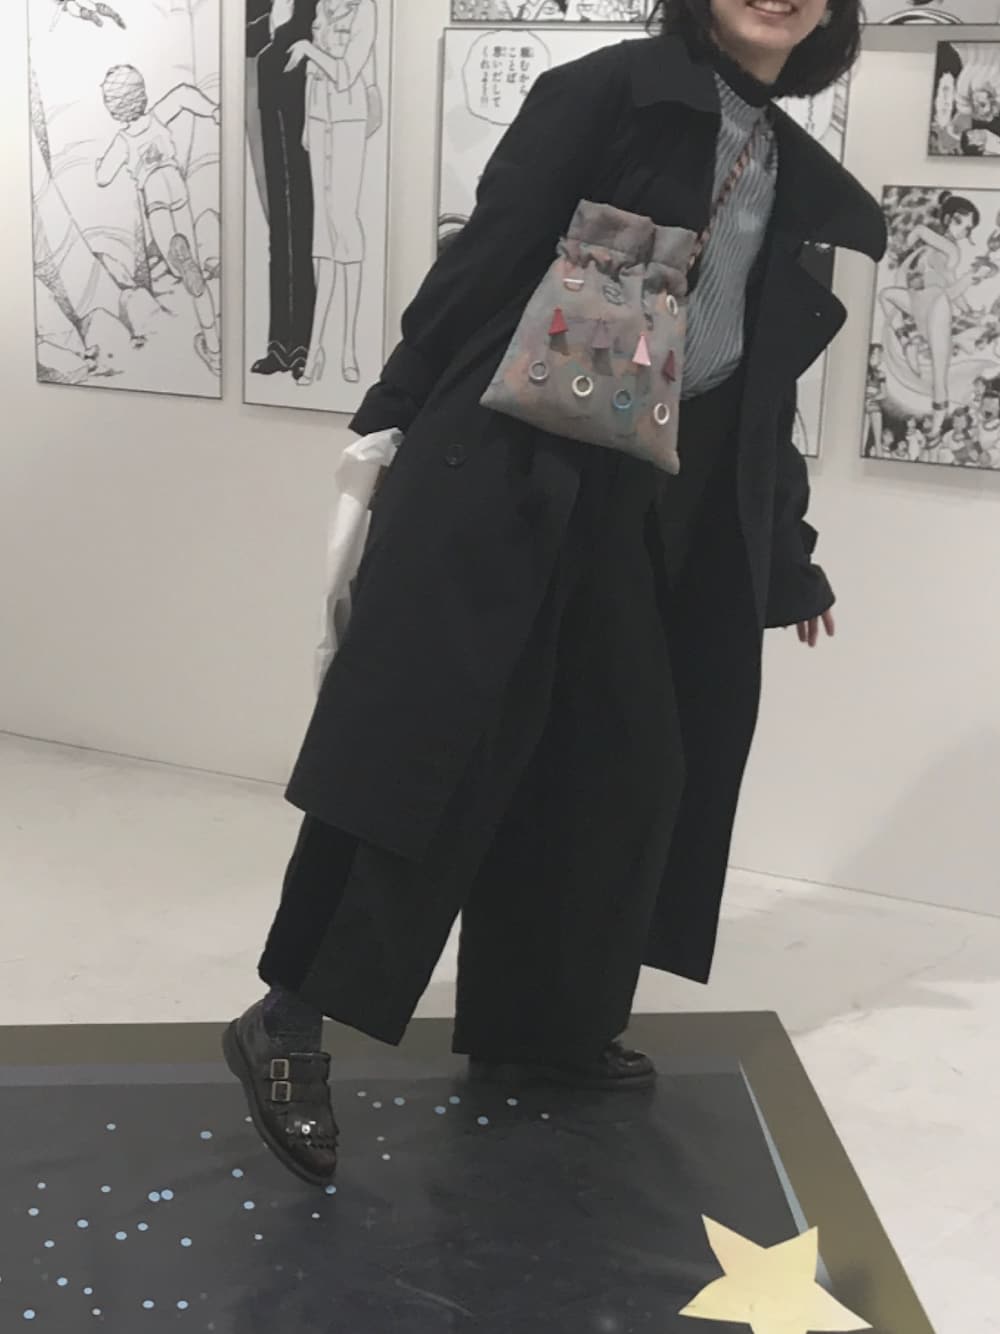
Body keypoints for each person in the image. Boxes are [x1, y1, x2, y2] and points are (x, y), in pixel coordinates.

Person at [223, 0, 885, 1186]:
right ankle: (287, 1019)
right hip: (511, 472)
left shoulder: (782, 160)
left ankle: (540, 1019)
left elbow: (757, 383)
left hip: (652, 506)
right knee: (428, 756)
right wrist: (391, 418)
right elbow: (485, 258)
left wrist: (785, 551)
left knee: (623, 764)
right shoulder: (609, 91)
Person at [95, 66, 222, 377]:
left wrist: (100, 163)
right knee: (196, 277)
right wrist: (214, 110)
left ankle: (180, 264)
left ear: (112, 106)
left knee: (182, 269)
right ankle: (215, 348)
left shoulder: (122, 141)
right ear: (142, 94)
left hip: (155, 196)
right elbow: (183, 94)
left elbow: (102, 177)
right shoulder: (157, 116)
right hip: (176, 186)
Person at [286, 0, 379, 387]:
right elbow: (316, 76)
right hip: (319, 119)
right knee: (322, 236)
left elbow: (345, 73)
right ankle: (315, 349)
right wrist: (308, 125)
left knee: (344, 222)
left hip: (349, 118)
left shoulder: (365, 9)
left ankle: (348, 349)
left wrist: (308, 49)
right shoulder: (324, 5)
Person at [247, 0, 319, 382]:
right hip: (272, 126)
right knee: (280, 238)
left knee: (302, 237)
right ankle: (279, 345)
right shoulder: (260, 13)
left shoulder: (312, 11)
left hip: (306, 132)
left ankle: (304, 345)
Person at [879, 193, 981, 433]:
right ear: (947, 218)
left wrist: (968, 300)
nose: (961, 230)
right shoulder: (936, 248)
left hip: (936, 305)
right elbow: (923, 239)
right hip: (919, 300)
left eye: (967, 228)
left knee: (938, 371)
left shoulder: (951, 250)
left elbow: (921, 232)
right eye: (958, 221)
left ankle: (936, 424)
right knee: (886, 295)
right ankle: (908, 341)